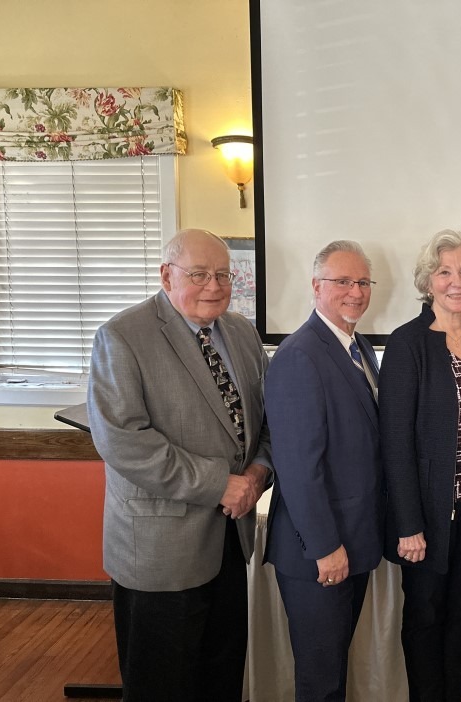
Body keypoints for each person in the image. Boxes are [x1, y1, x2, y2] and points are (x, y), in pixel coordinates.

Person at [87, 228, 273, 702]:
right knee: (160, 684)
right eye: (198, 274)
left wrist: (256, 475)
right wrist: (219, 485)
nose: (214, 286)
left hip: (232, 538)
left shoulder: (242, 332)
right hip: (160, 549)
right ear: (166, 275)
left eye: (222, 275)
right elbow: (124, 441)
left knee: (222, 673)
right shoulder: (122, 337)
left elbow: (268, 421)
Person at [380, 230, 461, 702]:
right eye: (444, 271)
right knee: (425, 616)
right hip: (429, 515)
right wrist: (409, 524)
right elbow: (395, 443)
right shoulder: (407, 343)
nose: (457, 281)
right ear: (428, 281)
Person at [263, 240, 384, 702]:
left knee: (334, 670)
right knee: (320, 681)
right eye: (342, 282)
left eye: (362, 282)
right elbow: (298, 468)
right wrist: (326, 547)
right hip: (317, 552)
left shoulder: (358, 347)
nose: (355, 292)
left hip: (352, 541)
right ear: (316, 286)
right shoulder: (299, 355)